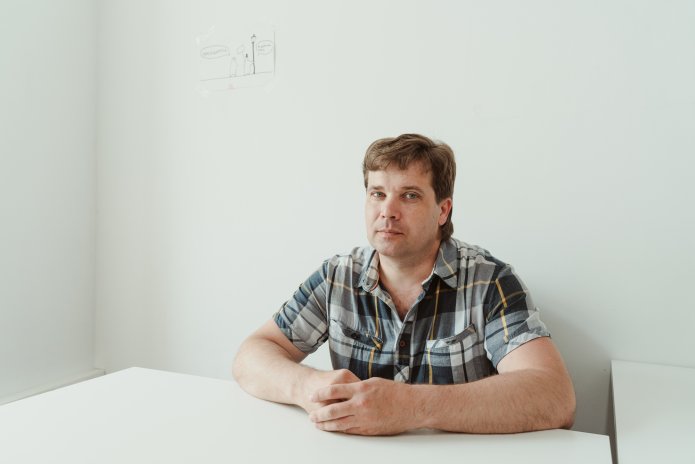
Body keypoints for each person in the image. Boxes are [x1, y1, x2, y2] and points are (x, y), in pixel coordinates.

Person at [232, 133, 576, 436]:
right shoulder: (337, 276)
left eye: (409, 195)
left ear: (443, 211)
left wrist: (412, 406)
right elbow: (251, 355)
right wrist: (307, 386)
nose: (388, 211)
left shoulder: (491, 281)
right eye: (377, 193)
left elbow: (555, 397)